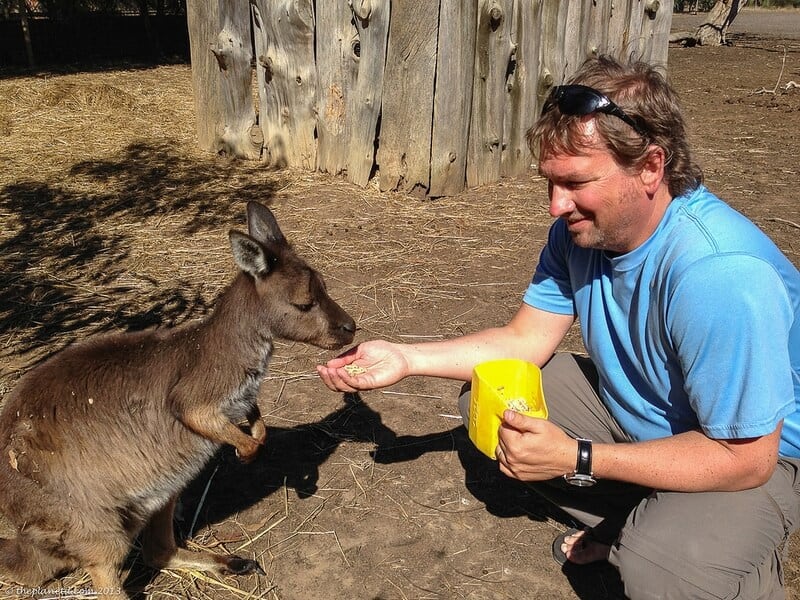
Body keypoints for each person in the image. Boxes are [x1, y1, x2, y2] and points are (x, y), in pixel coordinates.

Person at [317, 55, 800, 599]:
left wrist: (578, 457)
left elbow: (748, 456)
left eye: (575, 182)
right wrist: (407, 359)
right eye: (549, 182)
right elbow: (523, 342)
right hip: (654, 418)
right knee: (493, 394)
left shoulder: (719, 275)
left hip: (759, 458)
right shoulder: (581, 234)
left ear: (651, 166)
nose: (555, 205)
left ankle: (717, 561)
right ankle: (637, 522)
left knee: (659, 567)